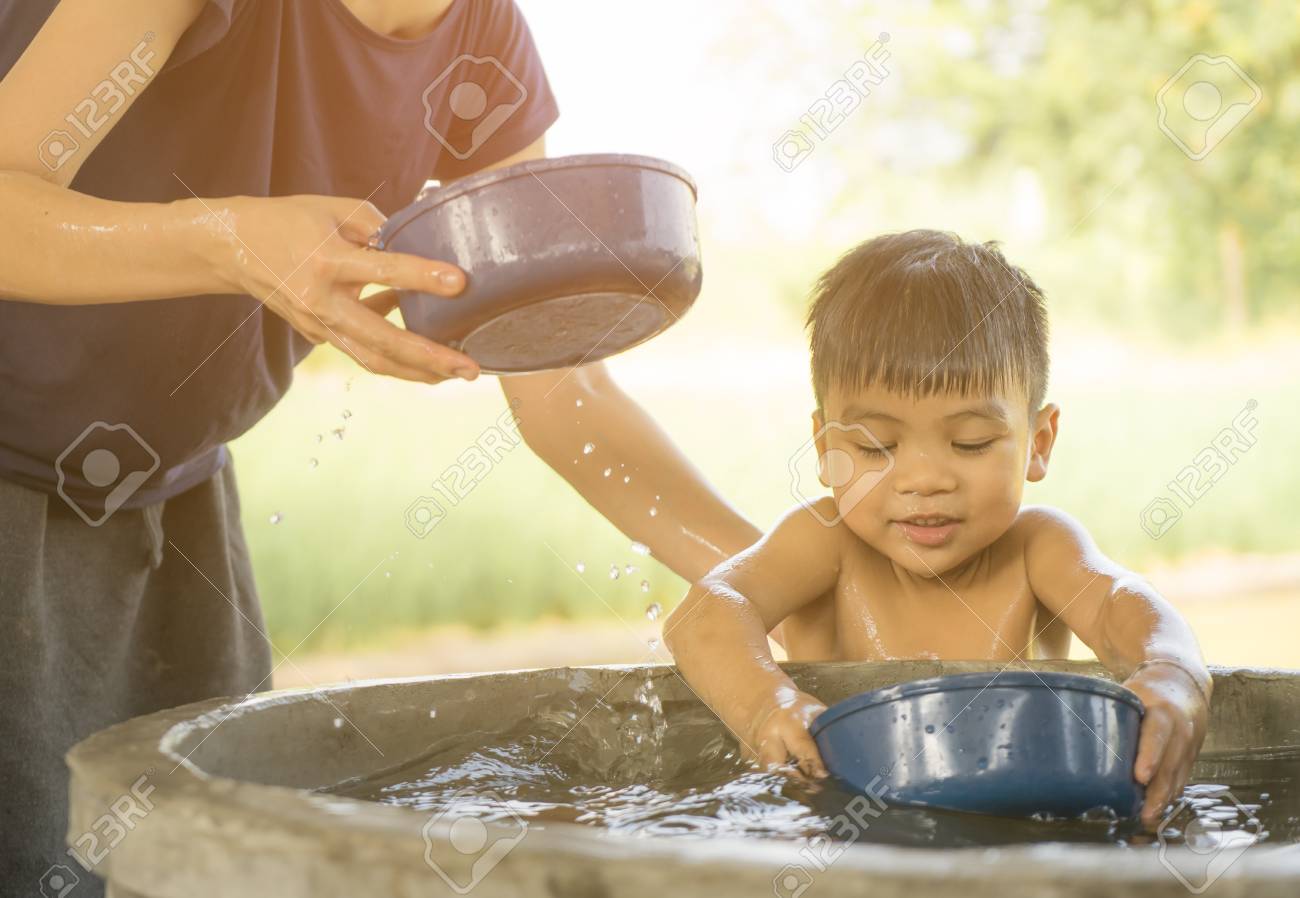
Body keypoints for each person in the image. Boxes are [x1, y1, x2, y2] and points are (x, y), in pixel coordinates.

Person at [0, 1, 760, 893]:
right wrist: (226, 239)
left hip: (176, 504)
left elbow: (566, 384)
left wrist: (763, 580)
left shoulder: (482, 32)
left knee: (189, 863)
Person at [665, 230, 1212, 828]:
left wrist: (1174, 672)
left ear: (1039, 442)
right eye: (877, 447)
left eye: (969, 443)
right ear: (827, 451)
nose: (923, 480)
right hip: (842, 839)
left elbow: (1118, 606)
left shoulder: (1038, 549)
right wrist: (765, 704)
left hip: (1021, 836)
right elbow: (704, 615)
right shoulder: (824, 542)